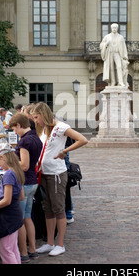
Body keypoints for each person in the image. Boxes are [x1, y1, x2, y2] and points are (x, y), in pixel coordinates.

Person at [30, 102, 88, 256]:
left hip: (56, 173)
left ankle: (60, 244)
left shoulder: (61, 127)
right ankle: (50, 242)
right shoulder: (44, 129)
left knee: (58, 209)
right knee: (47, 209)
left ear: (43, 114)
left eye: (36, 117)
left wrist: (64, 151)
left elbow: (82, 140)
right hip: (44, 173)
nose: (35, 120)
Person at [8, 113, 42, 263]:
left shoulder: (24, 141)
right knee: (28, 217)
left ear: (19, 125)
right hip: (33, 182)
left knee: (20, 219)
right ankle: (32, 250)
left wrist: (10, 164)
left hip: (24, 182)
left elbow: (25, 165)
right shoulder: (35, 138)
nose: (14, 132)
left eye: (14, 128)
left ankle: (23, 253)